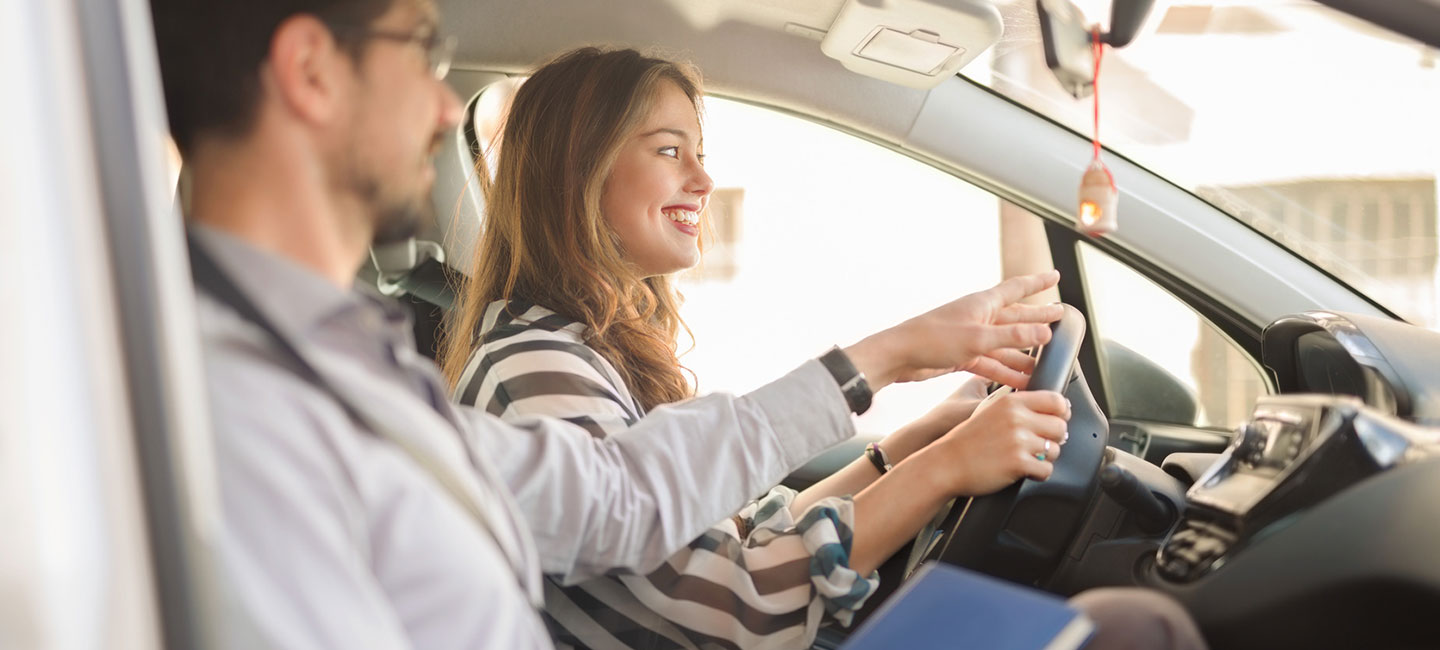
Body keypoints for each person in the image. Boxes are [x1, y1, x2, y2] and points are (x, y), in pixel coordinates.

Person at [148, 1, 1067, 648]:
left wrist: (898, 445)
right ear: (310, 70)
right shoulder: (248, 396)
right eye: (416, 48)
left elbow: (624, 502)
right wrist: (911, 398)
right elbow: (702, 586)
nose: (440, 107)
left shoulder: (334, 366)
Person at [443, 47, 1209, 650]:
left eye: (699, 151)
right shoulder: (531, 371)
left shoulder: (578, 351)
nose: (705, 180)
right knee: (1137, 630)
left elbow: (730, 543)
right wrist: (946, 467)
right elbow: (732, 606)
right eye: (671, 151)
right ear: (579, 173)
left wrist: (909, 446)